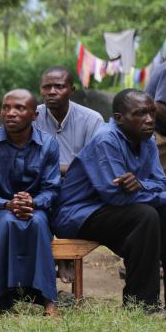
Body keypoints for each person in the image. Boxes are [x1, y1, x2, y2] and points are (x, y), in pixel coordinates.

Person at [54, 89, 166, 310]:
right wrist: (163, 195)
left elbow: (159, 181)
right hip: (78, 214)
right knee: (145, 215)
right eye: (141, 113)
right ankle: (142, 304)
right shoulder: (106, 140)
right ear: (120, 118)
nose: (150, 119)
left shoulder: (147, 138)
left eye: (152, 112)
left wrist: (142, 185)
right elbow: (116, 195)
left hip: (116, 209)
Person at [0, 89, 62, 319]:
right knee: (7, 222)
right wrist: (6, 204)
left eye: (19, 108)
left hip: (35, 210)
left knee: (39, 222)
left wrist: (32, 201)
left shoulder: (48, 144)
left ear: (34, 115)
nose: (10, 113)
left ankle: (49, 302)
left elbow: (52, 189)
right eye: (6, 107)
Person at [34, 66, 104, 283]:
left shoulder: (92, 119)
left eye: (59, 86)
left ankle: (65, 257)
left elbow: (93, 166)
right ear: (41, 89)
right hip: (40, 184)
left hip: (78, 188)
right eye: (47, 86)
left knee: (66, 195)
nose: (52, 91)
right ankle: (52, 264)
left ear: (71, 89)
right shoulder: (31, 115)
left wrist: (52, 168)